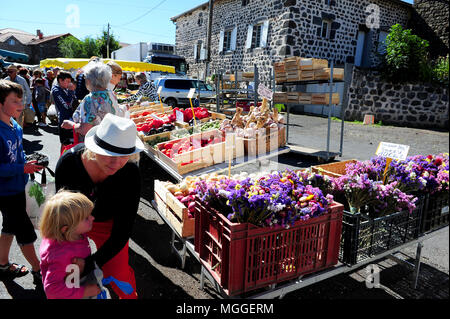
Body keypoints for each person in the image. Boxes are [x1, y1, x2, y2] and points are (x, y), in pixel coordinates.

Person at [55, 113, 144, 299]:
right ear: (94, 148)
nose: (116, 163)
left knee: (118, 273)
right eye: (110, 155)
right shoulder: (69, 163)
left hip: (109, 224)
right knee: (70, 272)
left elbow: (123, 230)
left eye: (124, 156)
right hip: (74, 222)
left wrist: (92, 263)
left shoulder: (130, 174)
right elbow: (62, 215)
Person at [0, 80, 43, 285]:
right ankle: (39, 269)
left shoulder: (15, 125)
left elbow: (18, 153)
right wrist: (21, 168)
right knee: (25, 232)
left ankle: (2, 265)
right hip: (6, 192)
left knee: (9, 227)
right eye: (15, 101)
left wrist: (28, 162)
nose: (21, 104)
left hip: (18, 187)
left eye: (22, 100)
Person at [39, 190, 101, 299]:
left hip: (77, 280)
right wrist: (85, 292)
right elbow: (52, 290)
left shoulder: (72, 234)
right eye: (86, 218)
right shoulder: (60, 255)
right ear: (67, 229)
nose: (92, 218)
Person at [62, 61, 126, 141]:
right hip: (111, 139)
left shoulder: (90, 99)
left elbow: (86, 130)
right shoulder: (111, 93)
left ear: (89, 80)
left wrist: (72, 125)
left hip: (96, 142)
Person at [51, 71, 76, 150]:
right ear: (60, 80)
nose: (69, 84)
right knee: (65, 143)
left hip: (71, 118)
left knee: (72, 142)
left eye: (70, 81)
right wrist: (71, 91)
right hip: (63, 119)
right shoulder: (56, 90)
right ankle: (62, 159)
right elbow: (67, 105)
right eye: (67, 81)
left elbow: (73, 101)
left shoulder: (65, 89)